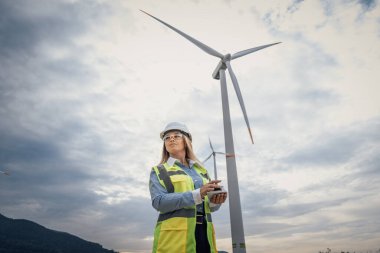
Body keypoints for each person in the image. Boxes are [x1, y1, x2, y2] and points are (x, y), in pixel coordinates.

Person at [149, 122, 228, 253]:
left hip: (204, 234)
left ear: (186, 141)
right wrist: (198, 194)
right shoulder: (159, 170)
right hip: (174, 237)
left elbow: (207, 206)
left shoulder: (201, 171)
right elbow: (159, 202)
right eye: (167, 137)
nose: (171, 139)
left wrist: (215, 201)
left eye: (176, 136)